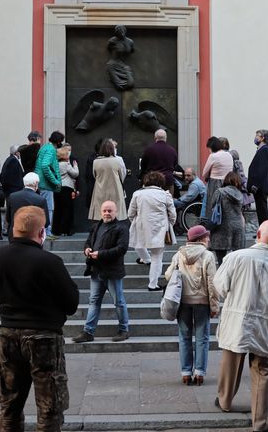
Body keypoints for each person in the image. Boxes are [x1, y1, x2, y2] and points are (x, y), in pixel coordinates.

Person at [0, 206, 78, 432]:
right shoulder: (49, 262)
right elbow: (71, 302)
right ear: (41, 232)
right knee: (49, 409)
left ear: (13, 229)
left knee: (9, 406)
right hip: (43, 338)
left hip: (8, 335)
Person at [213, 220, 268, 432]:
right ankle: (259, 422)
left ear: (258, 234)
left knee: (231, 360)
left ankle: (224, 400)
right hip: (267, 323)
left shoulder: (236, 257)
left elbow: (220, 286)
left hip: (238, 319)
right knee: (264, 369)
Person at [164, 225, 219, 385]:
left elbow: (168, 275)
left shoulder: (179, 254)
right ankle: (200, 372)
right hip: (202, 302)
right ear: (201, 239)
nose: (208, 239)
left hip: (182, 302)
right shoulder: (208, 256)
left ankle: (186, 372)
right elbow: (212, 284)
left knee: (184, 337)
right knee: (202, 338)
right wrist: (215, 307)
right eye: (206, 237)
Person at [73, 200, 131, 343]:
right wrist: (87, 249)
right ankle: (88, 331)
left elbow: (121, 249)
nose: (107, 213)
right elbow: (88, 242)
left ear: (116, 212)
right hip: (96, 270)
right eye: (105, 210)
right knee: (93, 301)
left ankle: (124, 330)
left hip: (112, 272)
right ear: (101, 212)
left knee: (119, 302)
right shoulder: (96, 226)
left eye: (110, 211)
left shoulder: (121, 228)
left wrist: (100, 254)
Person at [128, 171, 177, 290]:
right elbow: (173, 214)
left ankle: (145, 258)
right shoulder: (165, 195)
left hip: (141, 225)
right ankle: (153, 284)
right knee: (157, 257)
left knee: (138, 245)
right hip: (160, 228)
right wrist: (170, 224)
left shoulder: (137, 194)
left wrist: (135, 222)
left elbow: (130, 213)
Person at [209, 171, 246, 265]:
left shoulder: (219, 192)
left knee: (221, 260)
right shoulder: (240, 194)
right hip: (238, 226)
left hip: (221, 226)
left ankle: (223, 276)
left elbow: (212, 205)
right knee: (236, 259)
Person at [89, 139, 127, 222]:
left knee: (101, 214)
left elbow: (94, 175)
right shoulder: (118, 160)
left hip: (100, 190)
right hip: (116, 189)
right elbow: (123, 175)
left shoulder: (96, 161)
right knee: (116, 213)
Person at [35, 131, 64, 240]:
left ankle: (44, 231)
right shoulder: (51, 150)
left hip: (41, 183)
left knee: (43, 208)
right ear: (58, 141)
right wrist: (55, 181)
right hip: (46, 184)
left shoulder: (45, 147)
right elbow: (45, 166)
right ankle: (47, 232)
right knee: (49, 208)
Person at [6, 173, 50, 240]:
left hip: (14, 235)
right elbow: (46, 223)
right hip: (33, 236)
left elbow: (8, 219)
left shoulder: (12, 196)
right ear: (36, 183)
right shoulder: (41, 200)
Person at [201, 136, 233, 218]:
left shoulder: (213, 156)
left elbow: (204, 173)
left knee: (212, 207)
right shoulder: (229, 155)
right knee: (225, 207)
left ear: (212, 147)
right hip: (228, 183)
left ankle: (213, 227)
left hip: (215, 183)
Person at [139, 129, 178, 193]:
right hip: (168, 180)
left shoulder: (148, 150)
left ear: (155, 137)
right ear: (166, 138)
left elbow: (143, 165)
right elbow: (174, 165)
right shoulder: (172, 150)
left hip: (152, 180)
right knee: (168, 201)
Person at [247, 129, 268, 225]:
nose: (256, 137)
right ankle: (263, 231)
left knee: (263, 213)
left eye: (257, 135)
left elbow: (261, 170)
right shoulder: (262, 149)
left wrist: (255, 185)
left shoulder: (265, 150)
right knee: (261, 212)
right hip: (260, 187)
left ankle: (267, 232)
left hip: (260, 188)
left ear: (263, 138)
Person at [54, 144, 79, 236]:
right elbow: (75, 174)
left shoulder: (56, 164)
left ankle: (56, 230)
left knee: (58, 209)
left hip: (58, 188)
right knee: (67, 209)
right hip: (67, 188)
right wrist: (75, 166)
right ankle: (65, 230)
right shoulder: (66, 164)